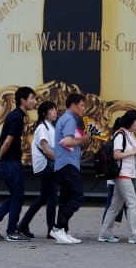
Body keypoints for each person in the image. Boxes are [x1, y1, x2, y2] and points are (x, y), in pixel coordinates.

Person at [0, 86, 36, 242]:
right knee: (18, 197)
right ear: (23, 100)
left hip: (9, 161)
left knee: (16, 196)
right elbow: (7, 141)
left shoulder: (15, 116)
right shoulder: (17, 118)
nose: (34, 102)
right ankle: (11, 231)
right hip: (10, 162)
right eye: (32, 98)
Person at [98, 110, 136, 244]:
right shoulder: (120, 134)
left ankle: (104, 234)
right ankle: (134, 235)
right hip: (123, 174)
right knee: (132, 203)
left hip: (126, 174)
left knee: (115, 205)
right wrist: (134, 151)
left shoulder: (128, 134)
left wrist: (135, 152)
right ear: (131, 122)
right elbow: (116, 155)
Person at [50, 93, 91, 244]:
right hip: (68, 164)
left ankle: (63, 232)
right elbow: (67, 141)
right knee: (77, 197)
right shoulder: (69, 120)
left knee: (65, 198)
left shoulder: (65, 118)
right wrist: (83, 139)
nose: (83, 108)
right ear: (73, 105)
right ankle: (57, 228)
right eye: (82, 105)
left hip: (63, 164)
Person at [17, 101, 58, 238]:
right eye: (52, 110)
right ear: (44, 113)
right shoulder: (42, 128)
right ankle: (51, 230)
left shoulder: (51, 127)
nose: (55, 112)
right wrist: (60, 161)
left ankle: (23, 224)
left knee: (43, 198)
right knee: (52, 197)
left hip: (49, 165)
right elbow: (46, 150)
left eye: (55, 109)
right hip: (45, 166)